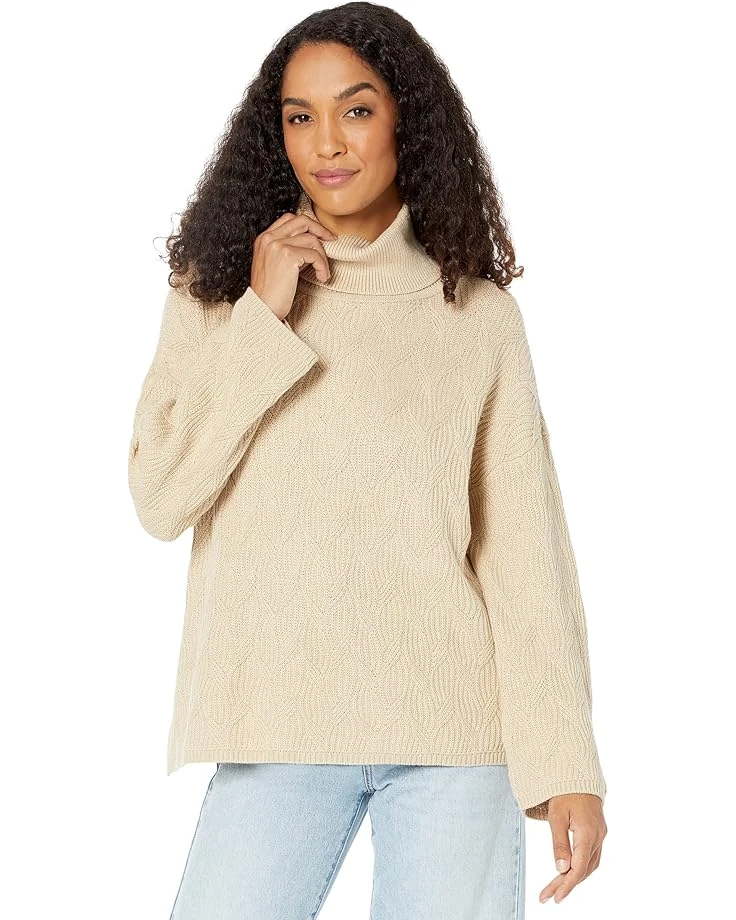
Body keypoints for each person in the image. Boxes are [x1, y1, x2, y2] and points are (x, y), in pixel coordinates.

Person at [127, 3, 607, 917]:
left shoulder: (477, 317)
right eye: (299, 116)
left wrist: (567, 763)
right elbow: (159, 494)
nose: (326, 143)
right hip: (276, 723)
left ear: (404, 121)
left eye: (356, 109)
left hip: (455, 740)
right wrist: (263, 317)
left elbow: (523, 558)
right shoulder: (218, 291)